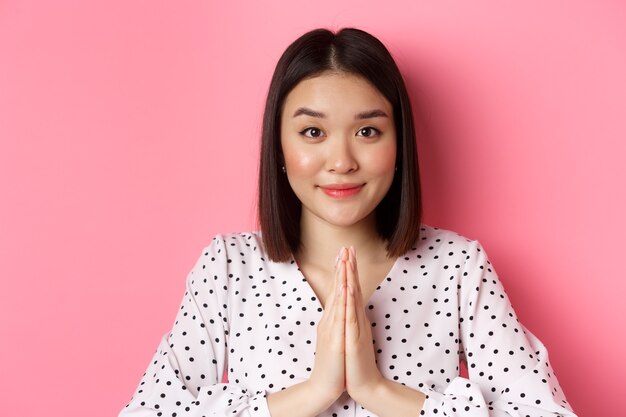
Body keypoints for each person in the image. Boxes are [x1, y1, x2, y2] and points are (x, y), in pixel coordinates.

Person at [119, 28, 577, 417]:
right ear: (279, 147)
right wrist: (311, 393)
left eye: (367, 131)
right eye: (313, 132)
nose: (341, 161)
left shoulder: (458, 267)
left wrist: (379, 392)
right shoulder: (227, 268)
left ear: (400, 147)